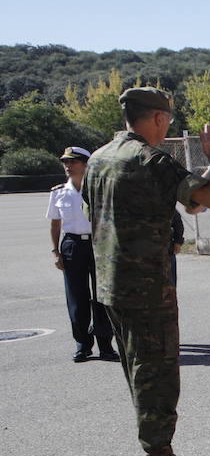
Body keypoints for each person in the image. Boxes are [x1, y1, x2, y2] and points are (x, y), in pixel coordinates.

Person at [82, 87, 210, 456]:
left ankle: (159, 454)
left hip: (111, 284)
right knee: (158, 379)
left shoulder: (98, 158)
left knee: (139, 374)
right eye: (167, 119)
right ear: (159, 119)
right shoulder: (151, 159)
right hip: (147, 288)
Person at [46, 146, 117, 362]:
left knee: (102, 297)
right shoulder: (58, 191)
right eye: (65, 162)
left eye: (73, 162)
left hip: (98, 245)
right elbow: (55, 223)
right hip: (72, 245)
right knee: (76, 297)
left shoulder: (99, 188)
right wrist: (56, 251)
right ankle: (83, 345)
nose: (68, 166)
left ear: (86, 165)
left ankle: (106, 345)